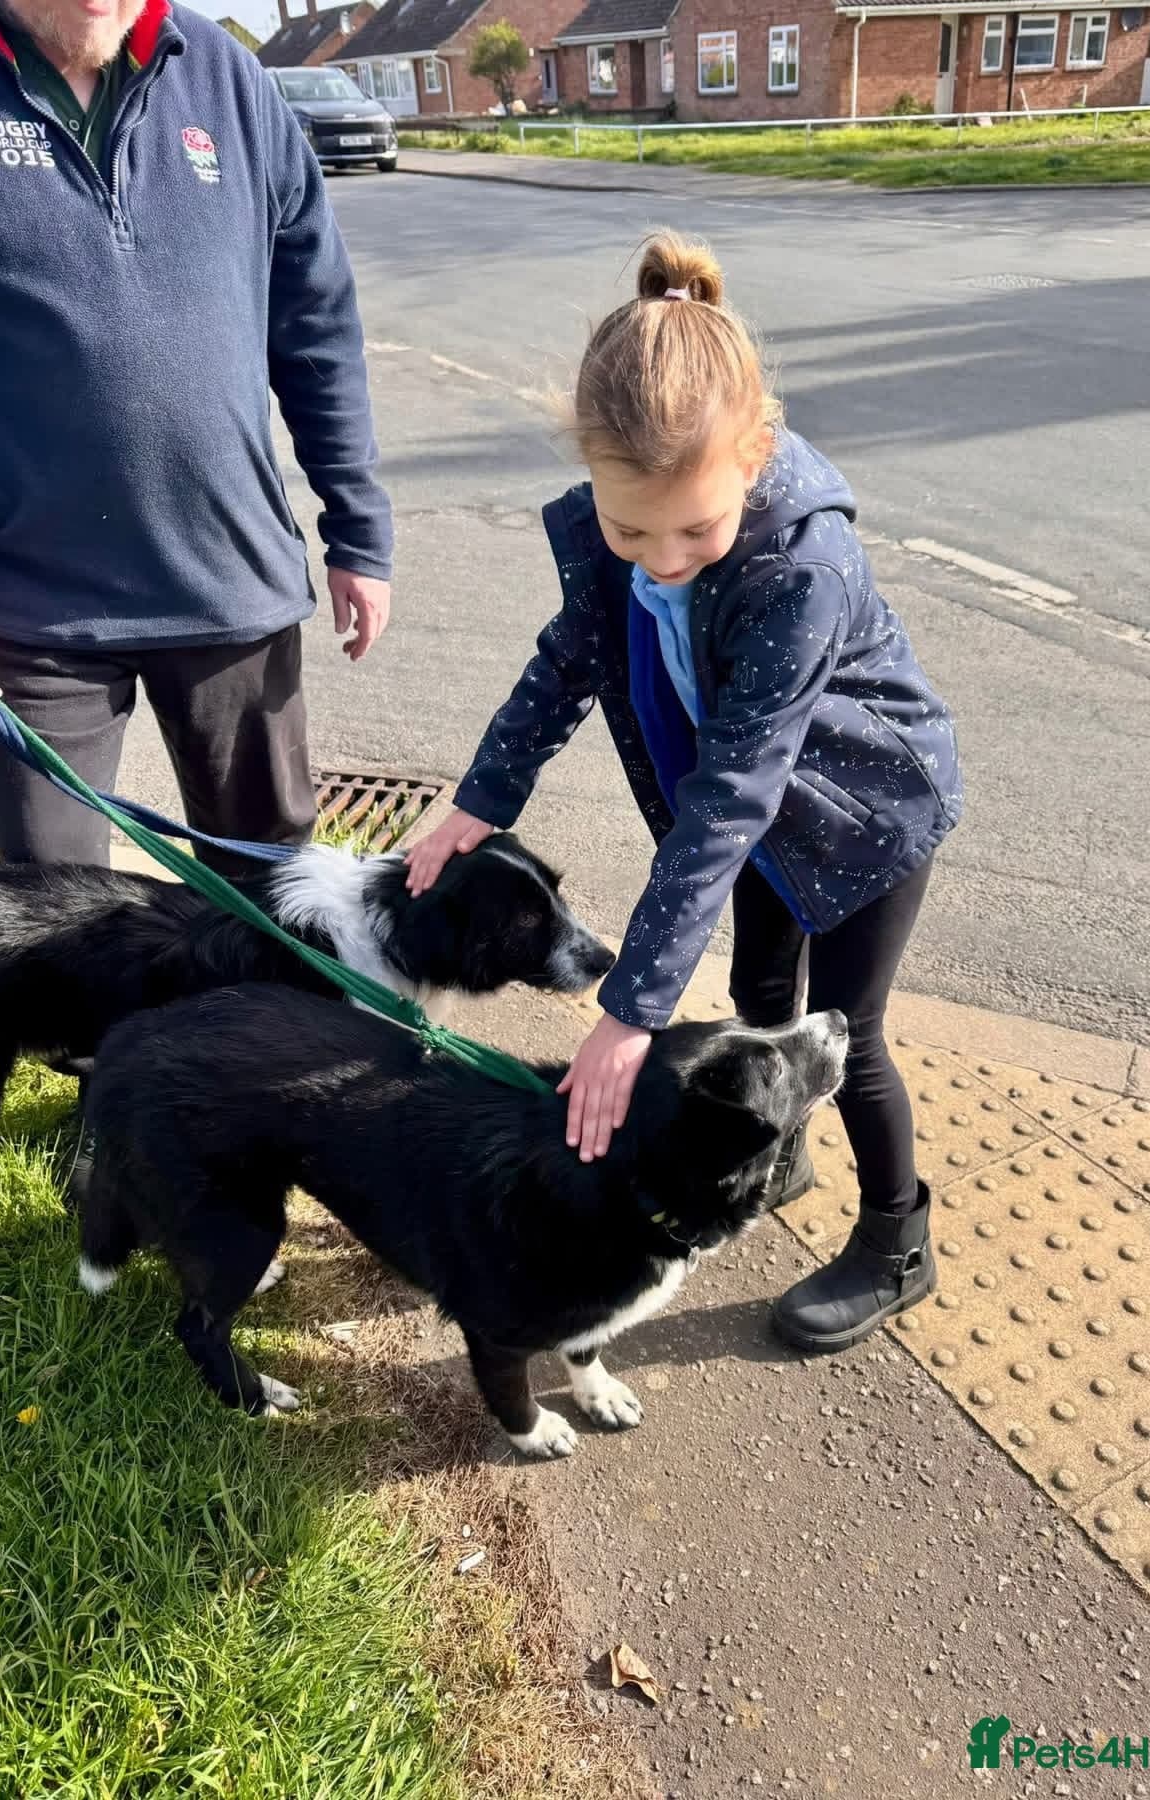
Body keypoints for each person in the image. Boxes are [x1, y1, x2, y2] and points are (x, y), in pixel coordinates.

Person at [405, 235, 963, 1352]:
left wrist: (632, 1012)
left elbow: (728, 801)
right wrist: (483, 797)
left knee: (842, 1041)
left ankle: (898, 1243)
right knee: (761, 993)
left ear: (756, 453)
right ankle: (776, 1157)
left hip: (862, 819)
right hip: (767, 819)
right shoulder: (634, 533)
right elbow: (568, 658)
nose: (662, 560)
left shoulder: (801, 567)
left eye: (695, 531)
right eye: (629, 530)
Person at [0, 0, 392, 875]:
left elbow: (314, 318)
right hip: (36, 608)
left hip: (229, 581)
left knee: (273, 899)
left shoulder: (226, 77)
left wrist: (358, 527)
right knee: (49, 927)